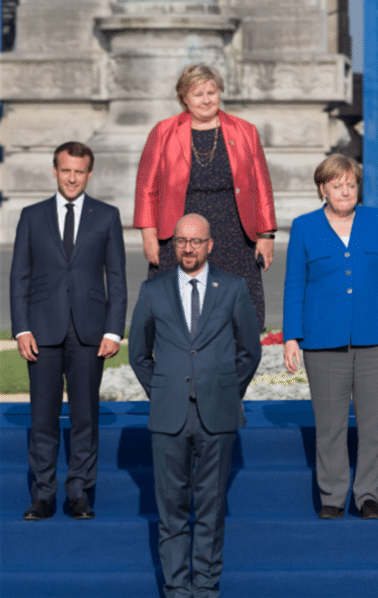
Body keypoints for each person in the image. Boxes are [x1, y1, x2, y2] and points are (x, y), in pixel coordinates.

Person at [128, 214, 261, 598]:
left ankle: (204, 588)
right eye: (182, 241)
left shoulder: (233, 288)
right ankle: (175, 589)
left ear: (209, 245)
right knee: (171, 512)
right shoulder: (153, 290)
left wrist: (223, 391)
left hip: (216, 415)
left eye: (196, 241)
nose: (188, 248)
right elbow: (138, 353)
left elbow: (249, 351)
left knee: (210, 509)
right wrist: (163, 390)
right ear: (175, 246)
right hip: (169, 416)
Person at [282, 154, 378, 520]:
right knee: (329, 425)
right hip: (323, 341)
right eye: (337, 185)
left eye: (351, 184)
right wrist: (292, 336)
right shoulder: (304, 227)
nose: (345, 191)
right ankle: (332, 495)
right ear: (322, 189)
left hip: (377, 337)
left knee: (373, 424)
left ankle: (369, 494)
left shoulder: (376, 220)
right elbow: (294, 284)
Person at [10, 141, 127, 521]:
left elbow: (119, 279)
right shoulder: (31, 215)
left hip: (90, 332)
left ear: (89, 173)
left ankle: (79, 492)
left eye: (79, 171)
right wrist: (21, 327)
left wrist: (114, 331)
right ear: (55, 170)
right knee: (42, 418)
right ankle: (43, 495)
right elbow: (19, 279)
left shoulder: (107, 216)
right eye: (66, 170)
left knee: (85, 417)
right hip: (41, 331)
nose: (72, 177)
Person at [134, 63, 278, 330]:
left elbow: (261, 186)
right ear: (184, 98)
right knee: (178, 313)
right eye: (198, 94)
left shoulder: (245, 130)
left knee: (235, 316)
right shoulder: (163, 131)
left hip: (234, 233)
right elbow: (146, 187)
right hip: (178, 232)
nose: (206, 100)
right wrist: (148, 234)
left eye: (211, 92)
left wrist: (267, 234)